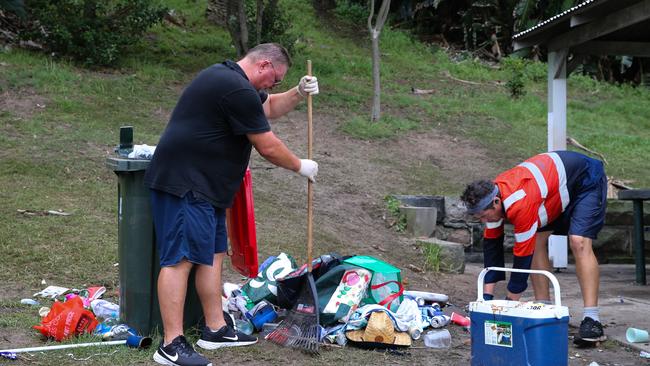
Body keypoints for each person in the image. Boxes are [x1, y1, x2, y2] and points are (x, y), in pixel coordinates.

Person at [144, 43, 320, 366]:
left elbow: (268, 108)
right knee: (179, 259)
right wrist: (300, 166)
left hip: (207, 188)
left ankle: (215, 329)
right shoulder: (233, 86)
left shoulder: (237, 84)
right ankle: (170, 345)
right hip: (185, 183)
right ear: (264, 65)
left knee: (213, 255)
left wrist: (297, 92)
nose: (273, 86)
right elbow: (267, 145)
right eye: (276, 79)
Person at [461, 150, 607, 342]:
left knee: (578, 241)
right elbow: (492, 251)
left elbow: (522, 260)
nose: (483, 221)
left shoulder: (519, 204)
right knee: (537, 241)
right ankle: (543, 310)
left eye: (483, 216)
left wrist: (506, 311)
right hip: (551, 191)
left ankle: (592, 318)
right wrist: (484, 301)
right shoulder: (490, 198)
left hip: (585, 179)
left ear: (496, 203)